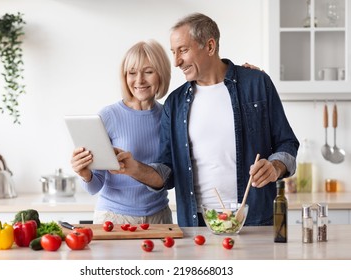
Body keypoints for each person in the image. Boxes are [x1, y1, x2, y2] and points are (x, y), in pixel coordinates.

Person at [113, 13, 300, 227]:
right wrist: (134, 168)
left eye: (183, 50)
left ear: (210, 46)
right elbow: (167, 171)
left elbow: (287, 142)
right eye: (173, 52)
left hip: (254, 220)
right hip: (198, 225)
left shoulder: (256, 84)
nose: (176, 62)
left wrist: (275, 166)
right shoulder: (174, 103)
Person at [70, 40, 173, 224]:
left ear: (161, 74)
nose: (139, 80)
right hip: (114, 217)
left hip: (159, 217)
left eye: (148, 72)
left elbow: (169, 176)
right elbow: (94, 186)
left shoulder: (168, 116)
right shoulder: (108, 116)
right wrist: (85, 174)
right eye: (132, 73)